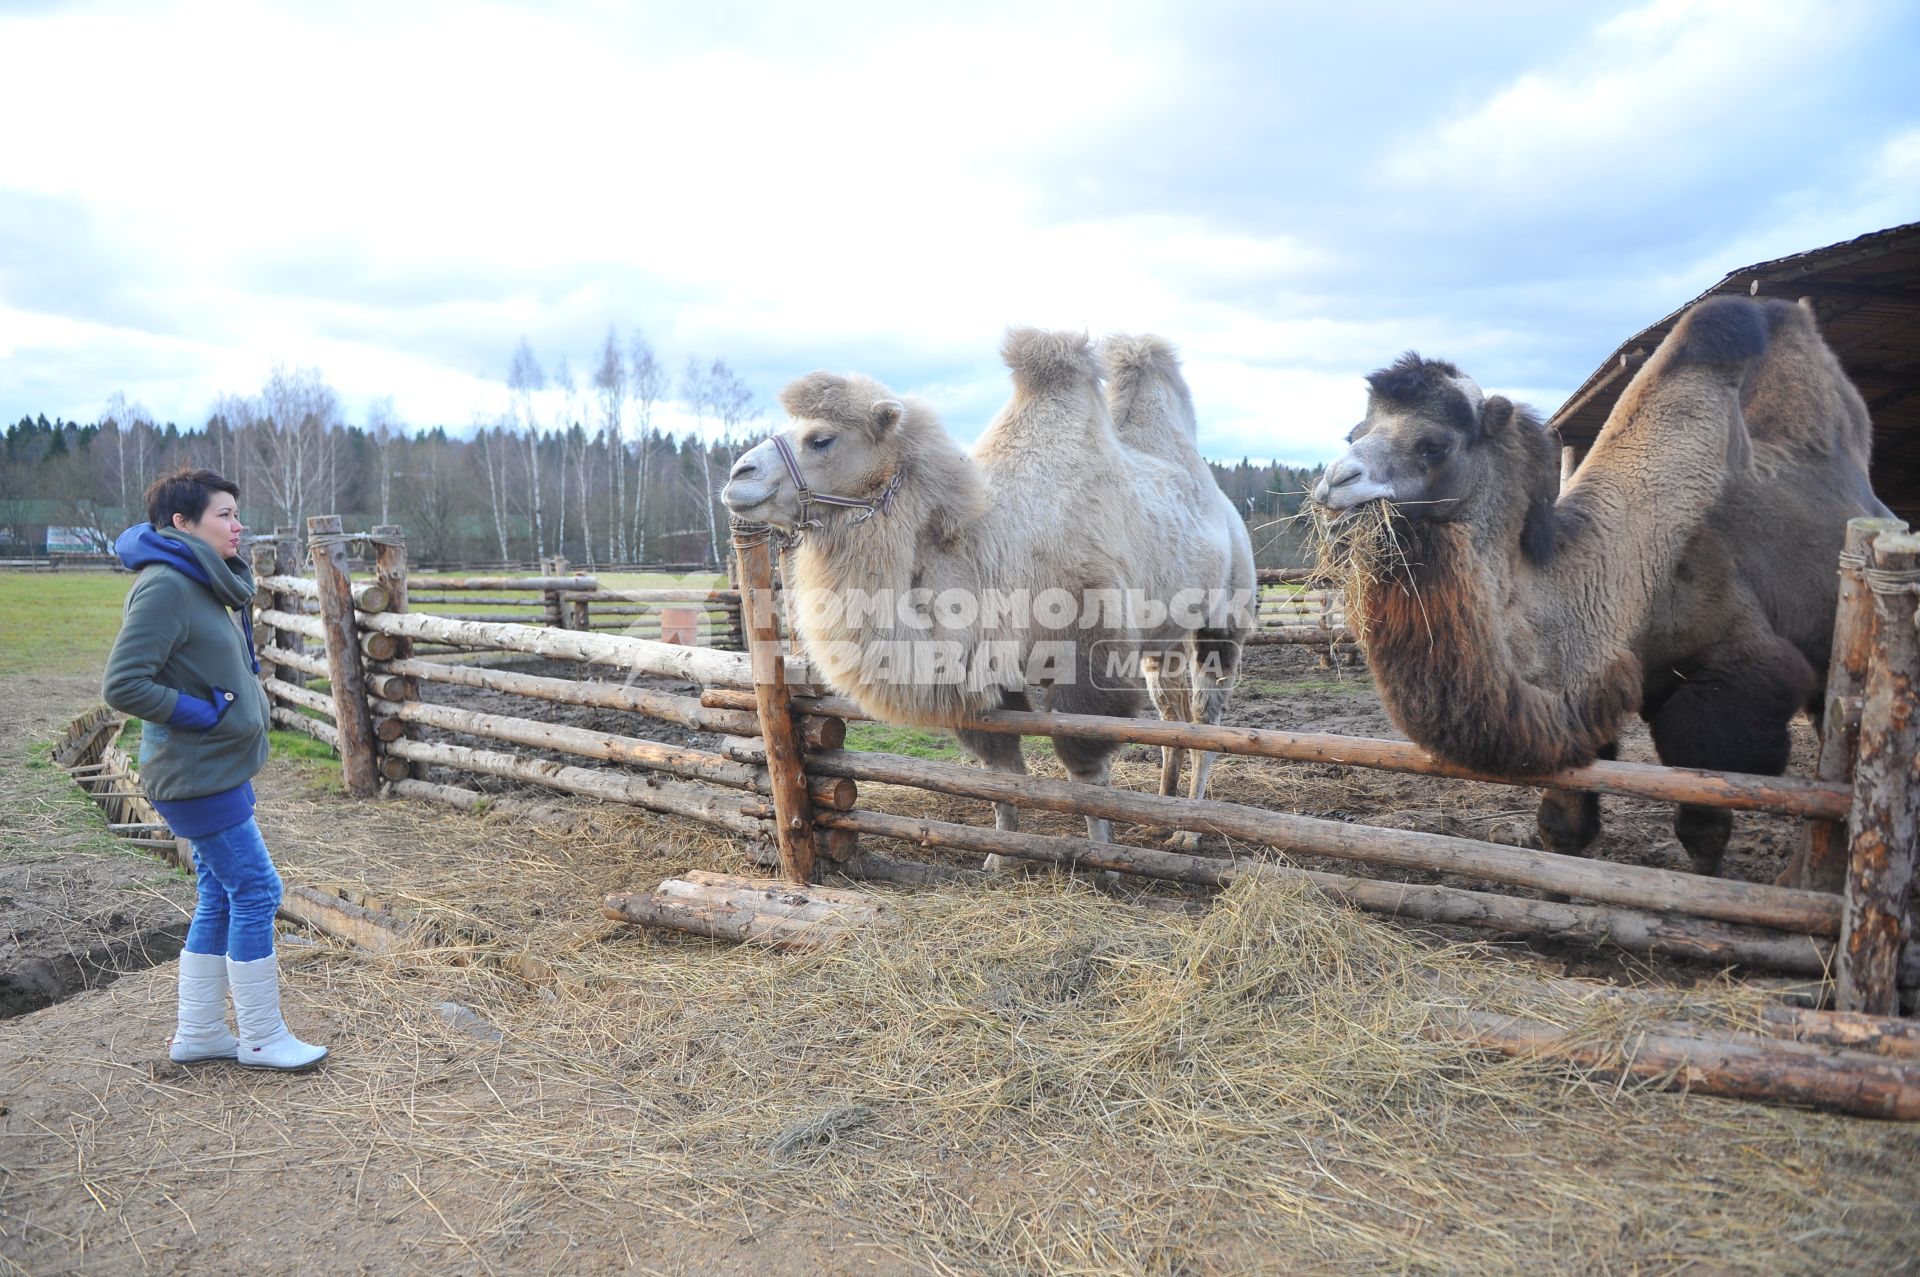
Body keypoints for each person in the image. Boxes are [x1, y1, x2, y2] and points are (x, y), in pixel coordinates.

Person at [102, 468, 328, 1071]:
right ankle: (261, 1036)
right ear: (182, 524)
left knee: (220, 894)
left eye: (235, 512)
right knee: (257, 890)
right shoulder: (167, 587)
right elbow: (123, 684)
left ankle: (200, 1032)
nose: (237, 524)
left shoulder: (203, 580)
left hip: (215, 770)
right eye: (223, 514)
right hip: (195, 772)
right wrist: (201, 715)